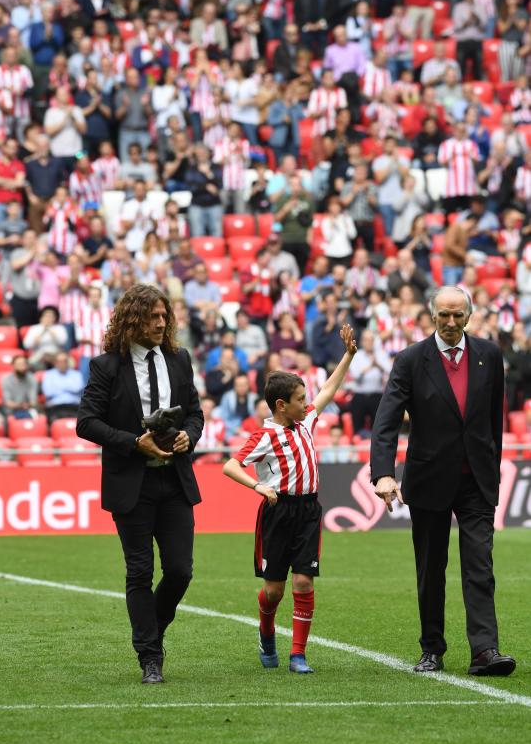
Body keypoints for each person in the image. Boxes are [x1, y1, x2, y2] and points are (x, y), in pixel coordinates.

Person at [370, 285, 516, 677]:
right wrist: (383, 473)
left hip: (476, 483)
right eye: (443, 315)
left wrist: (493, 470)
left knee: (479, 568)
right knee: (431, 570)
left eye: (457, 315)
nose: (450, 323)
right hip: (429, 480)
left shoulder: (489, 354)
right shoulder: (410, 360)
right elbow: (386, 421)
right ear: (431, 315)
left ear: (468, 316)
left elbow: (492, 424)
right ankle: (431, 649)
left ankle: (485, 650)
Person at [76, 284, 204, 685]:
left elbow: (196, 414)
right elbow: (86, 422)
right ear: (132, 319)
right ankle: (150, 657)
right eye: (153, 317)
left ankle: (151, 629)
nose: (161, 323)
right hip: (132, 483)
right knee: (139, 572)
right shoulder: (107, 366)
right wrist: (134, 442)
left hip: (175, 480)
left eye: (164, 316)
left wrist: (189, 436)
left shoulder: (179, 360)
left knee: (181, 570)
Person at [222, 323, 357, 674]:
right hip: (277, 512)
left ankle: (298, 654)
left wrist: (348, 356)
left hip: (308, 510)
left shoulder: (306, 420)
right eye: (300, 399)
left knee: (303, 581)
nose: (306, 404)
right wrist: (258, 486)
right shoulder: (266, 435)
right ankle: (267, 632)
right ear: (282, 405)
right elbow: (230, 465)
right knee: (274, 591)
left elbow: (328, 389)